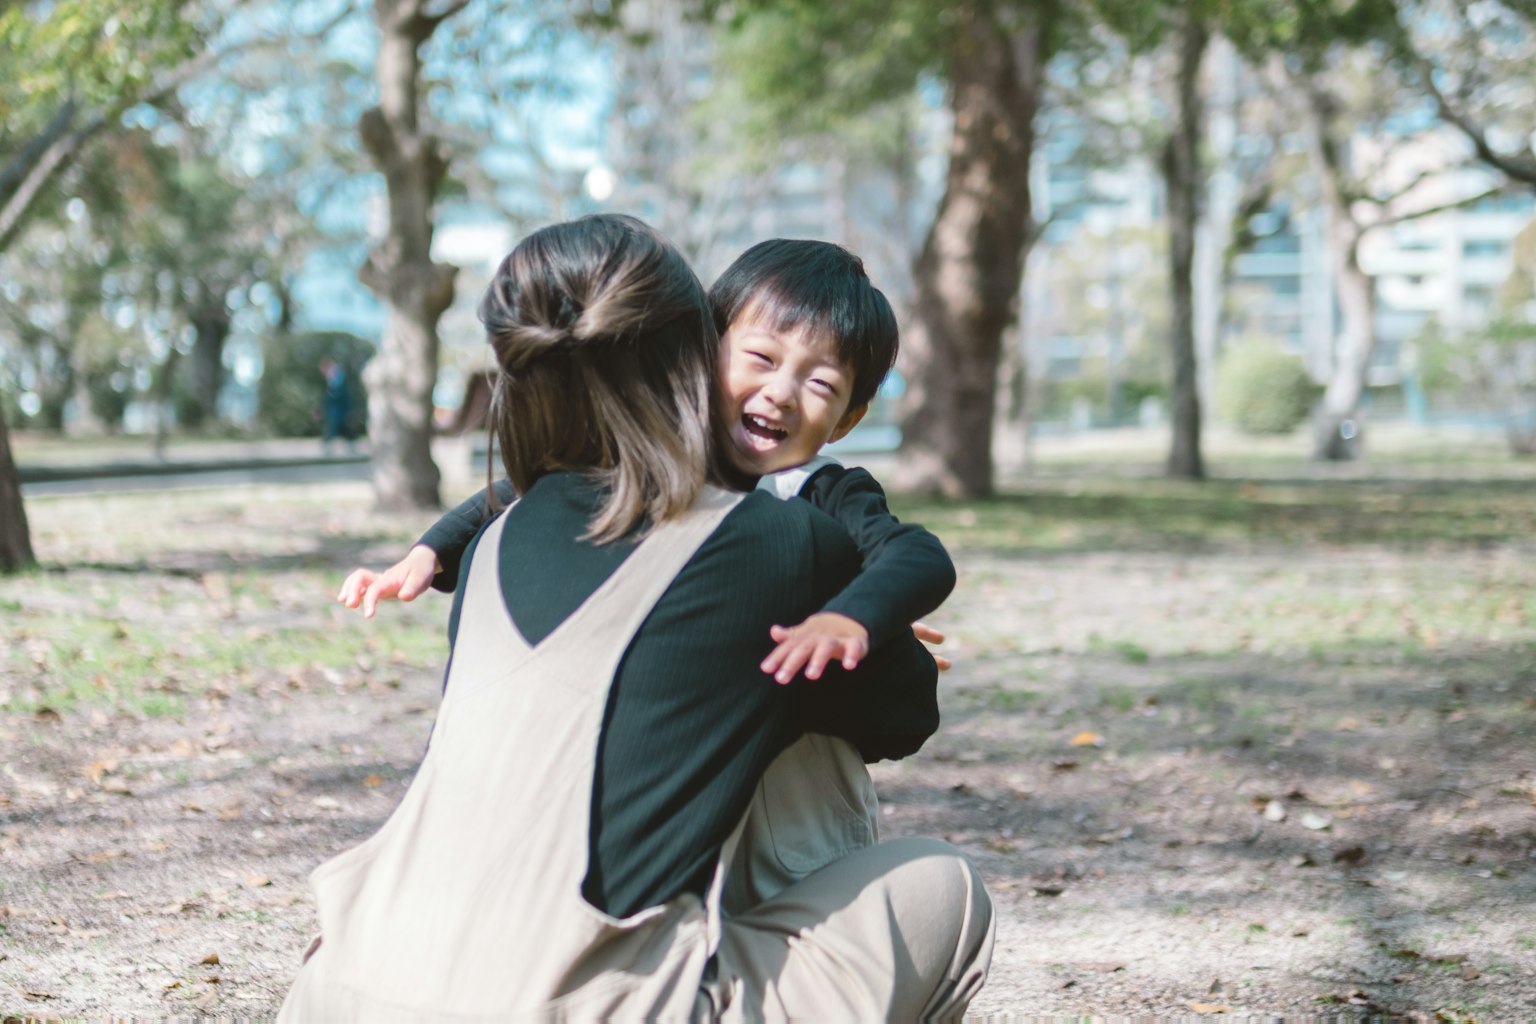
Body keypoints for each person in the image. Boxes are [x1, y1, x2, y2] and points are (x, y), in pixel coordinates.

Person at [281, 214, 992, 1020]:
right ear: (698, 352)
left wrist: (858, 612)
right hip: (574, 1001)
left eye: (821, 384)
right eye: (757, 358)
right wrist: (864, 618)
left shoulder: (508, 532)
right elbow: (905, 715)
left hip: (354, 987)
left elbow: (914, 556)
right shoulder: (784, 543)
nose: (782, 392)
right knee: (946, 887)